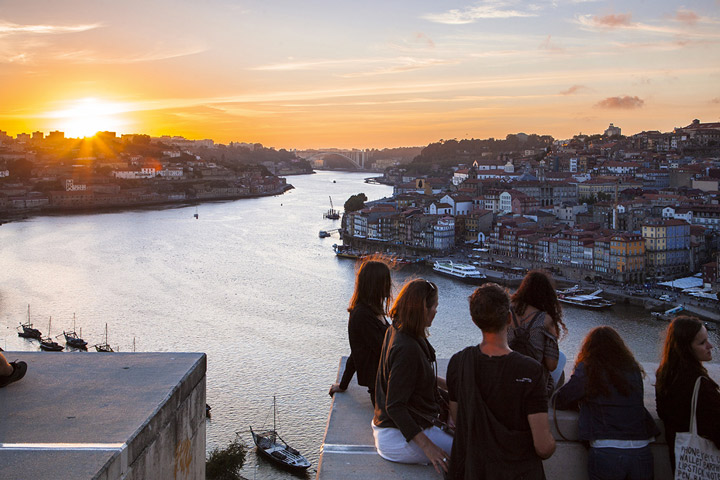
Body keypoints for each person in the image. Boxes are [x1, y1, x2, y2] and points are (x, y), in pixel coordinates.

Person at [447, 283, 555, 479]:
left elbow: (459, 421)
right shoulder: (530, 370)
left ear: (474, 320)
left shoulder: (458, 363)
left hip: (474, 470)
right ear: (509, 318)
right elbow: (543, 448)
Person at [554, 326, 659, 480]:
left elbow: (562, 399)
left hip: (607, 449)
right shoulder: (633, 368)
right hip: (641, 448)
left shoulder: (589, 367)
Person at [373, 279, 453, 475]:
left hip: (394, 428)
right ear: (422, 309)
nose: (436, 311)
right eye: (434, 306)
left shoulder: (400, 330)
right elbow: (395, 406)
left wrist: (454, 389)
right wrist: (429, 448)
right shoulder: (407, 349)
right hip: (396, 436)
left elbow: (419, 377)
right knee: (475, 449)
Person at [655, 316, 720, 471]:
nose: (710, 346)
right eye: (702, 343)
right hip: (705, 464)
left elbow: (663, 413)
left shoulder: (664, 374)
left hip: (681, 461)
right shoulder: (701, 384)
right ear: (686, 348)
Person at [329, 258, 392, 406]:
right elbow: (360, 352)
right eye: (386, 281)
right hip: (384, 392)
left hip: (391, 385)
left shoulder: (375, 311)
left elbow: (359, 350)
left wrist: (344, 384)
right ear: (375, 285)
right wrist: (342, 385)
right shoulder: (362, 315)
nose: (390, 285)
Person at [508, 270, 567, 395]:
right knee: (561, 358)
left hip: (505, 377)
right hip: (533, 386)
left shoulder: (506, 311)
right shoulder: (545, 320)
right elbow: (552, 365)